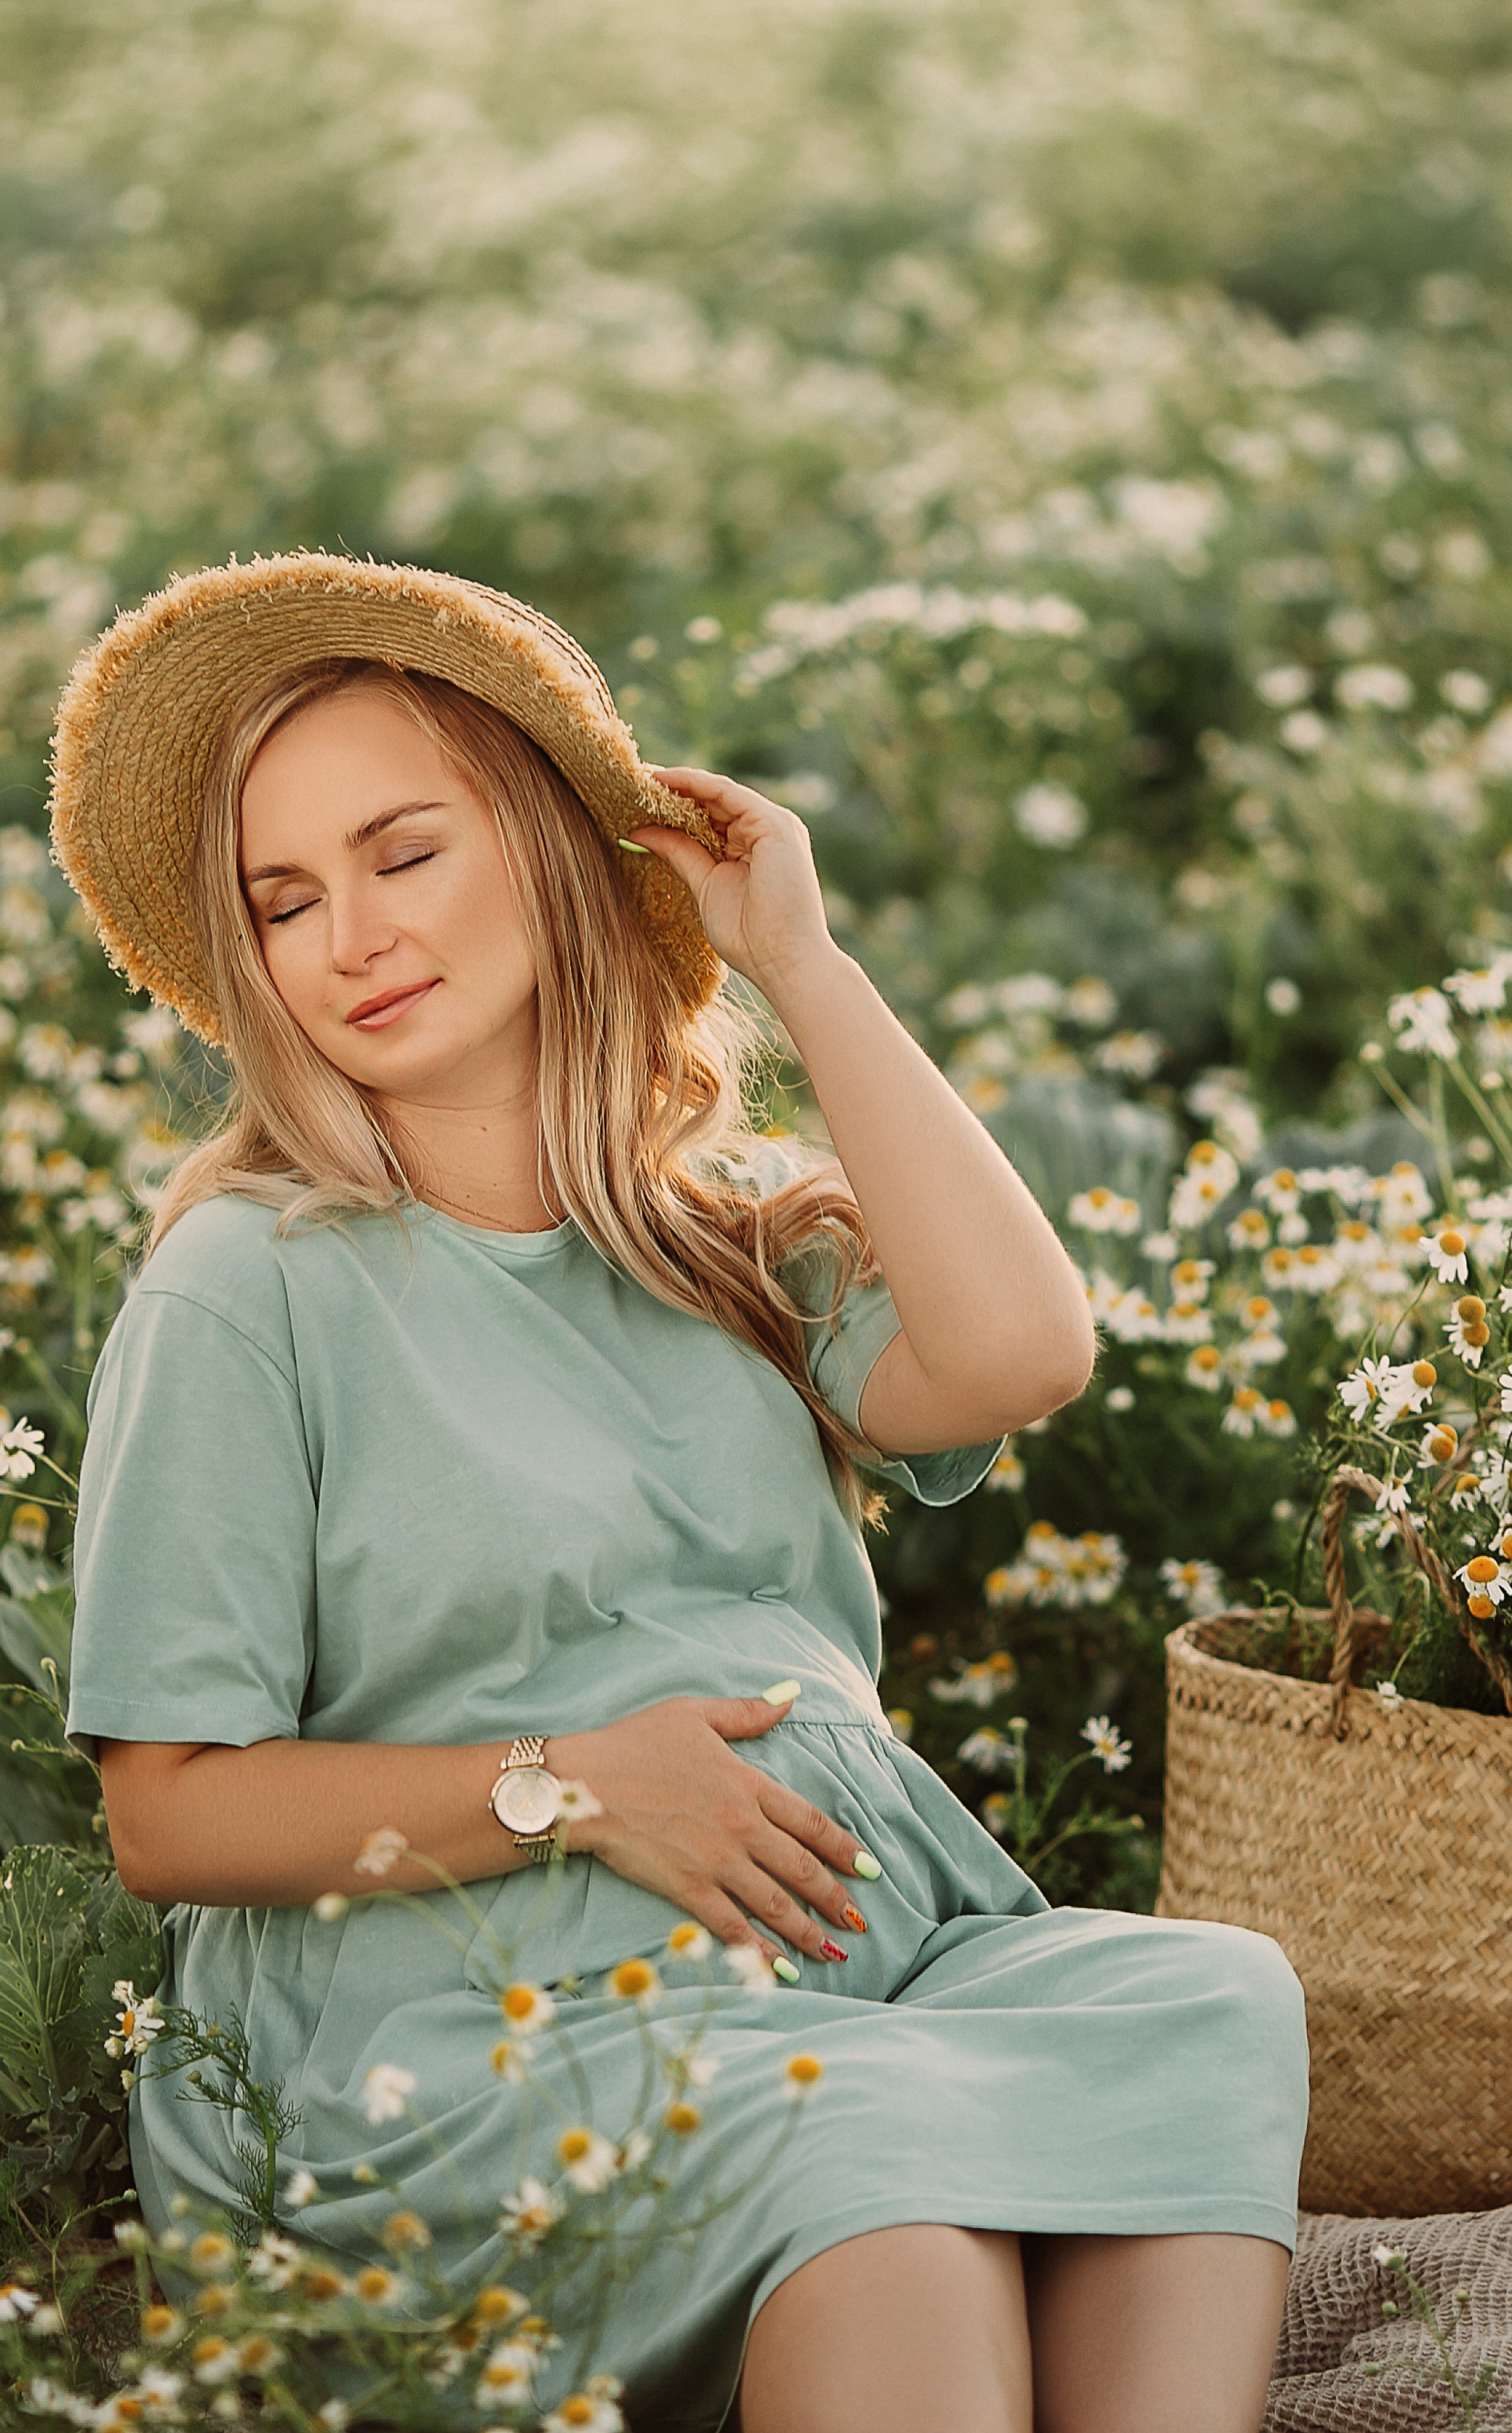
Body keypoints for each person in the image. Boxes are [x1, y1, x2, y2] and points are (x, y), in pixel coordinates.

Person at [53, 552, 1309, 2433]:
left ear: (553, 853)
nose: (349, 937)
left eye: (407, 854)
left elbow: (1023, 1352)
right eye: (285, 899)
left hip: (847, 1966)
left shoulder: (719, 1239)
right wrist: (566, 1789)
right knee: (882, 2175)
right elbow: (169, 1819)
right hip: (461, 2026)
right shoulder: (256, 1282)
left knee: (1205, 2002)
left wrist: (797, 956)